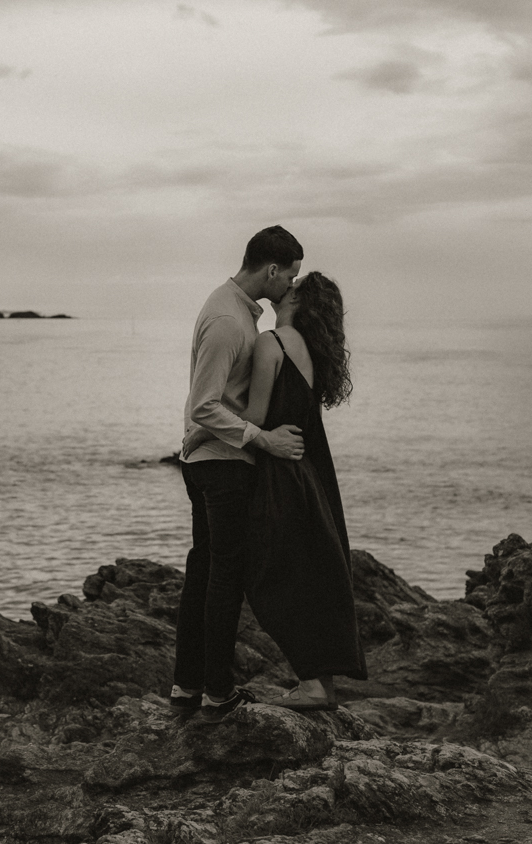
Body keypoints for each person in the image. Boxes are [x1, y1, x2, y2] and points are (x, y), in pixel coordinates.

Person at [181, 271, 364, 711]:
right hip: (307, 475)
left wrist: (201, 431)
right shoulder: (309, 349)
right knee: (305, 575)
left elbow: (257, 415)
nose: (286, 287)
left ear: (298, 301)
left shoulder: (273, 341)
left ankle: (311, 685)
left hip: (279, 477)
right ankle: (319, 683)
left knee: (272, 581)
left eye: (294, 285)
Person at [171, 225, 308, 724]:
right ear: (271, 269)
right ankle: (216, 694)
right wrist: (264, 440)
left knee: (204, 573)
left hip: (209, 460)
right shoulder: (229, 321)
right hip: (223, 468)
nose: (291, 284)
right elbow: (204, 405)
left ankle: (188, 688)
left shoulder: (235, 310)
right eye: (289, 275)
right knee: (223, 579)